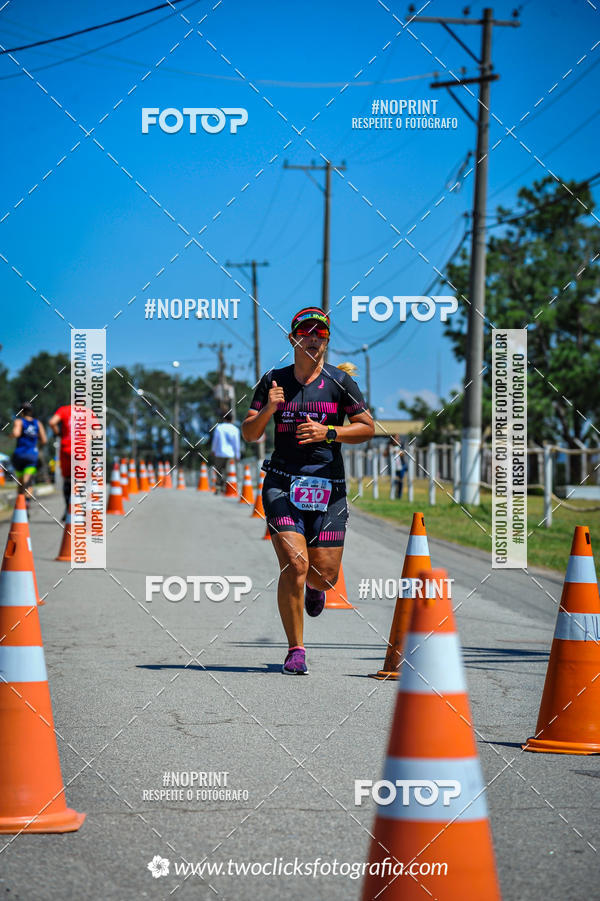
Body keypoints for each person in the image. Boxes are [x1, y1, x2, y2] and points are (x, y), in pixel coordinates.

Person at [242, 306, 374, 675]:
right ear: (292, 338)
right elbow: (249, 433)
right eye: (306, 333)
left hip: (328, 487)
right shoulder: (274, 379)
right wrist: (269, 408)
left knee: (323, 575)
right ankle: (295, 649)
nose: (313, 339)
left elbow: (367, 428)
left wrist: (328, 432)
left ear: (327, 340)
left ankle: (317, 589)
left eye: (320, 334)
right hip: (282, 483)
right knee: (295, 564)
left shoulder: (340, 383)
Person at [11, 403, 47, 505]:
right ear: (31, 412)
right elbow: (44, 440)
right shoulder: (37, 423)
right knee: (28, 482)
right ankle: (26, 503)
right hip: (31, 455)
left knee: (20, 482)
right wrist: (37, 444)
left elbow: (16, 433)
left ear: (21, 412)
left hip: (19, 455)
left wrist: (11, 435)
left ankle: (20, 504)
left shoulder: (19, 421)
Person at [210, 410, 241, 494]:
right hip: (230, 454)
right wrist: (238, 455)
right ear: (231, 419)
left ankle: (218, 488)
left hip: (219, 453)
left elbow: (215, 440)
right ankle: (225, 488)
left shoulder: (219, 428)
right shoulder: (235, 429)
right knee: (228, 472)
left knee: (218, 471)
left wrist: (213, 450)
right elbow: (236, 444)